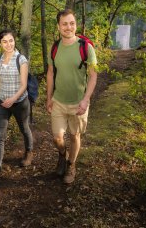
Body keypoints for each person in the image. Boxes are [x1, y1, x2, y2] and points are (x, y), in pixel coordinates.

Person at [46, 9, 97, 184]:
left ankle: (71, 164)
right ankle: (62, 154)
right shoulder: (54, 48)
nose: (69, 27)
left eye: (72, 23)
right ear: (59, 26)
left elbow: (93, 75)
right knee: (57, 137)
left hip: (78, 103)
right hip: (59, 101)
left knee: (75, 136)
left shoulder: (85, 47)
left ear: (75, 24)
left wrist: (86, 99)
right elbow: (51, 73)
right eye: (65, 24)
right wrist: (49, 97)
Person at [0, 29, 33, 186]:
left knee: (24, 129)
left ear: (14, 41)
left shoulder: (21, 60)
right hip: (2, 103)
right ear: (0, 43)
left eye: (11, 40)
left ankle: (29, 151)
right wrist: (4, 98)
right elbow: (1, 81)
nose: (8, 44)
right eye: (4, 41)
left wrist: (13, 99)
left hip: (20, 102)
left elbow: (24, 85)